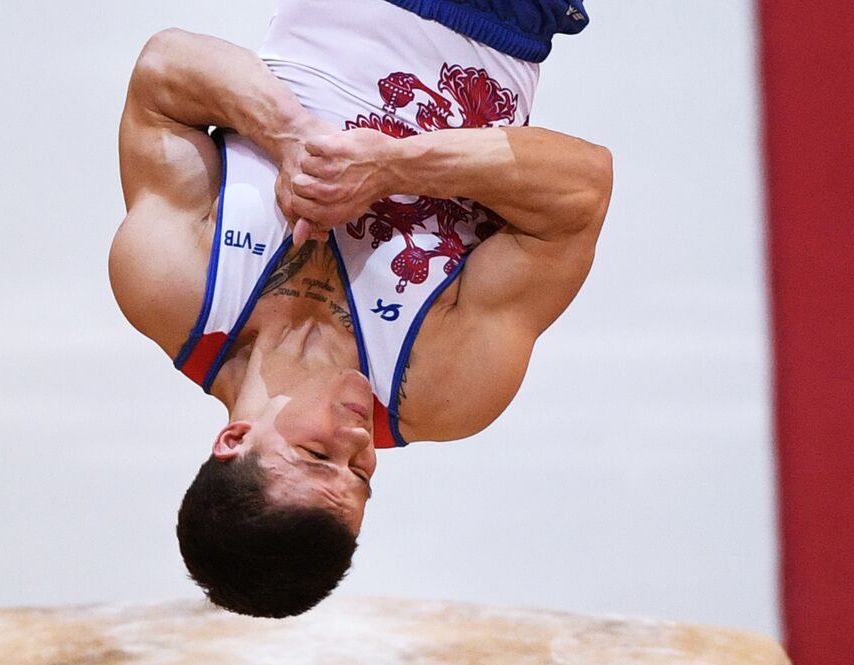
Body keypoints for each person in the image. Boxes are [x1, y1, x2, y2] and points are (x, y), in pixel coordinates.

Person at [109, 0, 610, 616]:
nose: (358, 443)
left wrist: (292, 139)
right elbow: (584, 188)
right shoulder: (443, 388)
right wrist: (389, 165)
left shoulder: (171, 289)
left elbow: (164, 70)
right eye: (362, 475)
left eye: (321, 455)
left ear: (236, 438)